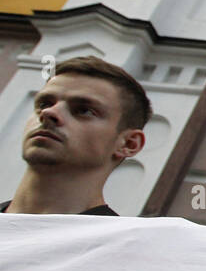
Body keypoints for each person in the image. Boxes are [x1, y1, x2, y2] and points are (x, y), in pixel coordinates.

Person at [1, 56, 150, 216]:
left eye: (84, 110)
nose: (48, 112)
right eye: (44, 104)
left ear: (128, 144)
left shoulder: (123, 240)